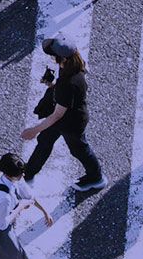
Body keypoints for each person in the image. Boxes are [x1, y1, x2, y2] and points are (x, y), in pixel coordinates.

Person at [21, 37, 105, 190]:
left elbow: (58, 114)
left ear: (63, 57)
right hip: (64, 118)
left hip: (71, 124)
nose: (50, 56)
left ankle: (96, 177)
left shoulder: (69, 82)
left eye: (52, 54)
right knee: (45, 141)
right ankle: (29, 172)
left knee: (79, 150)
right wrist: (53, 85)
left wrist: (34, 130)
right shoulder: (72, 64)